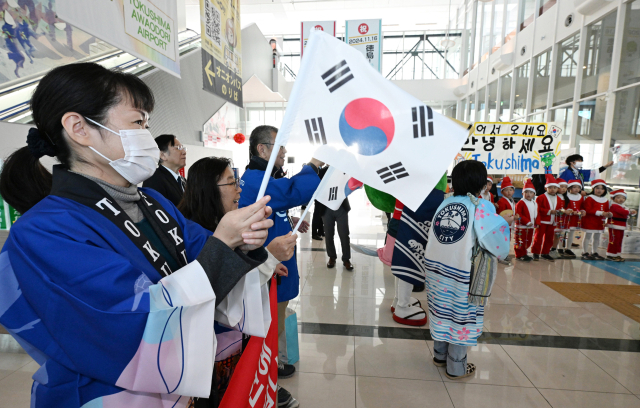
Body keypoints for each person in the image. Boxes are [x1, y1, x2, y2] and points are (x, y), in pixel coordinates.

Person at [0, 62, 275, 408]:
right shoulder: (44, 230)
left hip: (177, 392)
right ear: (79, 128)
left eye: (147, 123)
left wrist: (242, 244)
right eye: (137, 123)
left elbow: (201, 254)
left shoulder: (153, 202)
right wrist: (223, 245)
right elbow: (130, 322)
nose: (147, 135)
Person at [178, 157, 299, 407]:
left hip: (231, 344)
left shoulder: (218, 225)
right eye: (232, 183)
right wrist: (270, 256)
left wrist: (265, 259)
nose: (239, 189)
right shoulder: (195, 236)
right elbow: (220, 293)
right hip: (211, 350)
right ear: (209, 190)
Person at [238, 125, 322, 381]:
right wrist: (314, 164)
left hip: (275, 263)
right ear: (262, 149)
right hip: (269, 266)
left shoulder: (263, 179)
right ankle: (267, 374)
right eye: (280, 145)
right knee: (271, 319)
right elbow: (291, 192)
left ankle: (276, 361)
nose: (284, 151)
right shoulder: (256, 179)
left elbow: (276, 204)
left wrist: (289, 216)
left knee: (278, 314)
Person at [425, 160, 511, 380]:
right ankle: (456, 367)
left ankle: (439, 356)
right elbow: (494, 242)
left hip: (436, 269)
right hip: (462, 273)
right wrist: (503, 222)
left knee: (441, 312)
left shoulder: (446, 202)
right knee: (460, 316)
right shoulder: (480, 206)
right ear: (482, 183)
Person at [390, 173, 447, 326]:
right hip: (406, 220)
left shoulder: (404, 172)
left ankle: (399, 299)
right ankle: (402, 306)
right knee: (407, 262)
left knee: (401, 260)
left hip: (398, 219)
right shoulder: (414, 173)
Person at [142, 134, 187, 206]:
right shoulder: (154, 179)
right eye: (178, 148)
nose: (184, 152)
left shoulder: (183, 180)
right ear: (163, 155)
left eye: (183, 148)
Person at [323, 174, 354, 270]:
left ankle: (346, 259)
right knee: (328, 234)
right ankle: (332, 257)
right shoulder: (323, 172)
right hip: (326, 208)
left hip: (341, 208)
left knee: (344, 234)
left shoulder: (342, 172)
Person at [532, 174, 563, 261]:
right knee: (538, 237)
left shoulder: (559, 199)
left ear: (557, 189)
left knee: (549, 238)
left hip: (553, 222)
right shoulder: (541, 197)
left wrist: (561, 211)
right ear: (546, 188)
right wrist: (549, 211)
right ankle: (536, 252)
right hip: (542, 221)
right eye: (550, 187)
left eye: (555, 187)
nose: (553, 189)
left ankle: (545, 252)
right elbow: (537, 209)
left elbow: (559, 208)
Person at [581, 179, 612, 260]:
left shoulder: (606, 200)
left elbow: (607, 209)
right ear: (593, 189)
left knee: (597, 237)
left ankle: (594, 251)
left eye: (602, 189)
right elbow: (587, 210)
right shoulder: (589, 198)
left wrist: (608, 213)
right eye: (597, 188)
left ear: (604, 190)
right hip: (590, 220)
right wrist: (601, 213)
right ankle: (584, 252)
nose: (599, 190)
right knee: (588, 236)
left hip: (599, 221)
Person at [607, 189, 637, 261]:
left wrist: (632, 212)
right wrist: (630, 211)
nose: (621, 199)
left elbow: (627, 211)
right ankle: (611, 254)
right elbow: (623, 212)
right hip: (614, 225)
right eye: (618, 197)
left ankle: (617, 254)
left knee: (619, 240)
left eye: (623, 198)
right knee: (614, 240)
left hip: (621, 226)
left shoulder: (623, 206)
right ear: (613, 198)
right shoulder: (614, 206)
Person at [561, 180, 585, 259]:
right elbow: (563, 206)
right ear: (569, 188)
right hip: (565, 217)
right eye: (574, 187)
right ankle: (560, 248)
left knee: (571, 233)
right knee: (562, 233)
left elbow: (582, 206)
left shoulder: (581, 197)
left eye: (578, 187)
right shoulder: (565, 196)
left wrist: (582, 211)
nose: (576, 189)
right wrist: (569, 211)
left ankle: (568, 248)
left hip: (575, 218)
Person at [514, 179, 537, 262]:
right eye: (526, 192)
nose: (528, 194)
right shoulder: (520, 203)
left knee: (528, 240)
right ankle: (519, 254)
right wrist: (527, 221)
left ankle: (524, 253)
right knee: (520, 240)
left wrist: (536, 222)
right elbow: (519, 214)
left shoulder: (534, 203)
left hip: (530, 226)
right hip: (522, 226)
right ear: (522, 193)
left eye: (531, 192)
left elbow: (536, 214)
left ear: (534, 194)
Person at [496, 176, 515, 265]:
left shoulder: (512, 201)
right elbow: (500, 215)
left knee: (507, 240)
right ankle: (500, 256)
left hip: (509, 225)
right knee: (502, 240)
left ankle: (504, 254)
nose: (509, 192)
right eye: (506, 190)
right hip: (503, 225)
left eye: (510, 190)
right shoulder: (502, 202)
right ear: (502, 191)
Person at [549, 179, 569, 258]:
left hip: (562, 219)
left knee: (558, 235)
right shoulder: (554, 197)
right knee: (551, 235)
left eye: (565, 187)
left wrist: (569, 210)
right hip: (554, 219)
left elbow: (568, 207)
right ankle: (548, 249)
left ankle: (554, 249)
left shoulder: (566, 198)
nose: (563, 189)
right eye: (561, 187)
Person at [312, 165, 328, 240]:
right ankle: (314, 233)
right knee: (317, 214)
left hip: (324, 195)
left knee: (322, 213)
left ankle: (321, 231)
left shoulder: (325, 170)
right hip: (319, 195)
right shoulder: (323, 170)